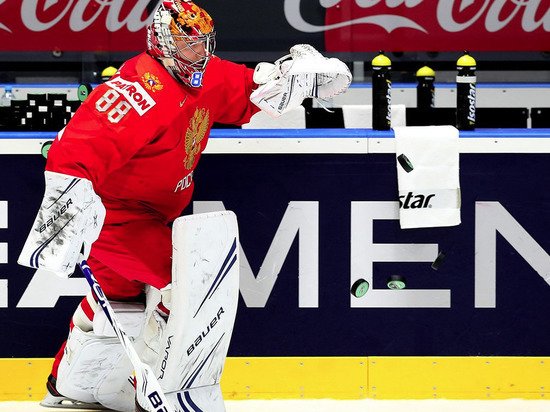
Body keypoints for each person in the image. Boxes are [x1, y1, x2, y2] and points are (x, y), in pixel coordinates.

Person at [18, 1, 351, 410]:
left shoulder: (204, 75)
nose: (200, 52)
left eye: (204, 43)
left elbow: (249, 90)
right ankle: (166, 390)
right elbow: (74, 151)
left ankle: (72, 387)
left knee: (121, 303)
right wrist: (66, 213)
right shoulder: (138, 92)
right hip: (114, 220)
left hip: (154, 216)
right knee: (188, 288)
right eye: (188, 43)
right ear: (161, 43)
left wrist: (293, 80)